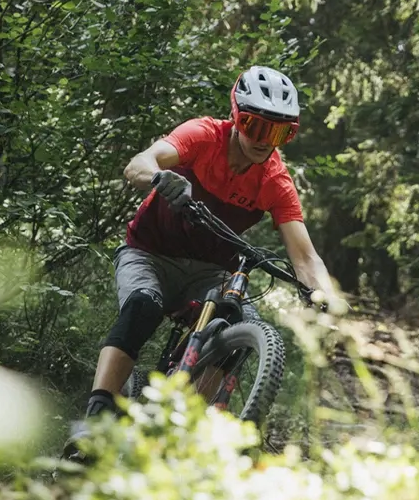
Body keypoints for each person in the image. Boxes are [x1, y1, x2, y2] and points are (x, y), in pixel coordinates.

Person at [63, 65, 345, 458]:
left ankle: (181, 430)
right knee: (144, 305)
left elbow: (305, 256)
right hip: (149, 253)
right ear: (236, 116)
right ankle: (94, 422)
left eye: (279, 133)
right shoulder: (203, 136)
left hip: (211, 271)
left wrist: (324, 294)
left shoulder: (274, 180)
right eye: (256, 127)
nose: (266, 141)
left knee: (242, 327)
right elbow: (140, 163)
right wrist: (159, 178)